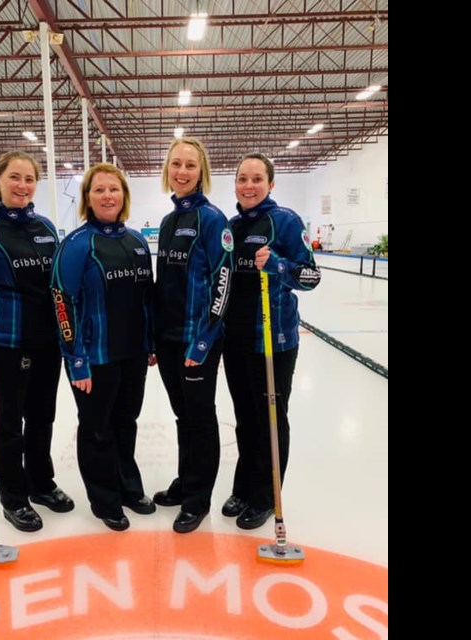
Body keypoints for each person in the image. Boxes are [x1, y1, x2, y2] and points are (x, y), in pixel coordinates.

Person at [0, 150, 75, 533]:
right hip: (4, 341)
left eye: (29, 179)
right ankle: (14, 497)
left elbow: (56, 283)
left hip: (45, 341)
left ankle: (41, 483)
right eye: (15, 178)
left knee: (43, 417)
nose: (22, 186)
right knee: (9, 421)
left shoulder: (46, 227)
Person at [50, 163, 157, 531]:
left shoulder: (137, 241)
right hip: (94, 357)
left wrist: (150, 343)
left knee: (126, 423)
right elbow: (61, 302)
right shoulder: (78, 244)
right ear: (87, 198)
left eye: (114, 189)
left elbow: (146, 299)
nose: (107, 195)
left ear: (124, 196)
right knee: (97, 429)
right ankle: (104, 499)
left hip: (132, 356)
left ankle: (128, 487)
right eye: (99, 190)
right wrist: (75, 360)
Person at [221, 152, 321, 529]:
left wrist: (278, 265)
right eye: (242, 179)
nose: (248, 186)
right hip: (238, 339)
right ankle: (244, 488)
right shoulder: (231, 227)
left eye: (256, 179)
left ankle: (265, 496)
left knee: (271, 420)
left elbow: (311, 276)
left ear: (271, 184)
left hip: (273, 341)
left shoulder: (285, 221)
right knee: (245, 420)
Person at [151, 137, 234, 533]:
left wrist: (203, 340)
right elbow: (162, 283)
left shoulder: (212, 219)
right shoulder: (168, 222)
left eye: (190, 165)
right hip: (168, 339)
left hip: (197, 340)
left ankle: (198, 499)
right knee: (183, 415)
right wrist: (154, 336)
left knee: (200, 417)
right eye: (176, 164)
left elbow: (223, 281)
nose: (181, 172)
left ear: (202, 172)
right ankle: (186, 483)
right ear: (168, 169)